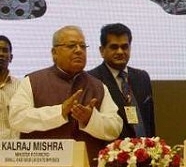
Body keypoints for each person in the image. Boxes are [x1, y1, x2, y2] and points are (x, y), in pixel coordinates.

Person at [8, 25, 122, 166]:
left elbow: (115, 127)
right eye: (71, 46)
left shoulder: (98, 86)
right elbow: (17, 118)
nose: (79, 50)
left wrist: (90, 119)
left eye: (82, 46)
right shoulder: (32, 81)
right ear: (54, 52)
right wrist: (60, 111)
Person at [89, 23, 155, 139]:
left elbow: (149, 121)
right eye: (114, 47)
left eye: (124, 47)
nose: (120, 52)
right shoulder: (92, 80)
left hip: (146, 152)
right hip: (109, 154)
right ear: (102, 50)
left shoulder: (142, 77)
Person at [0, 35, 19, 139]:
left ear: (10, 57)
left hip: (14, 151)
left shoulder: (21, 87)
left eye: (4, 50)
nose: (1, 54)